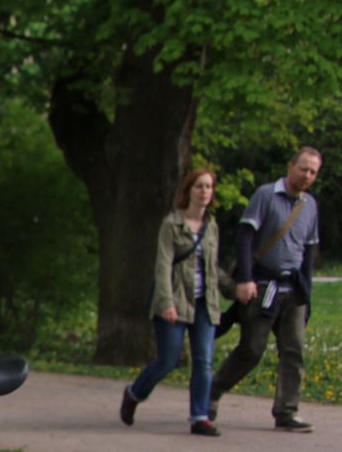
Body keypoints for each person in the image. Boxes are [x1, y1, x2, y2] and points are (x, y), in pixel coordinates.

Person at [209, 147, 321, 432]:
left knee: (294, 350)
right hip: (262, 285)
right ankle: (210, 394)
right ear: (290, 166)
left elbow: (309, 251)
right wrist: (245, 279)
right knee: (252, 349)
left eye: (313, 172)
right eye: (303, 169)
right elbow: (245, 238)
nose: (307, 176)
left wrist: (306, 294)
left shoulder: (309, 206)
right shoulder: (266, 195)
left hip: (291, 288)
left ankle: (286, 411)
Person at [121, 168, 221, 436]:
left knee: (204, 361)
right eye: (199, 186)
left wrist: (237, 289)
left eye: (208, 187)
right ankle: (134, 394)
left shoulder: (212, 228)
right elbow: (162, 266)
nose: (204, 192)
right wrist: (166, 302)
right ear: (188, 191)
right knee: (168, 360)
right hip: (175, 301)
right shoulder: (172, 224)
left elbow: (213, 269)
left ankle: (200, 417)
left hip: (204, 303)